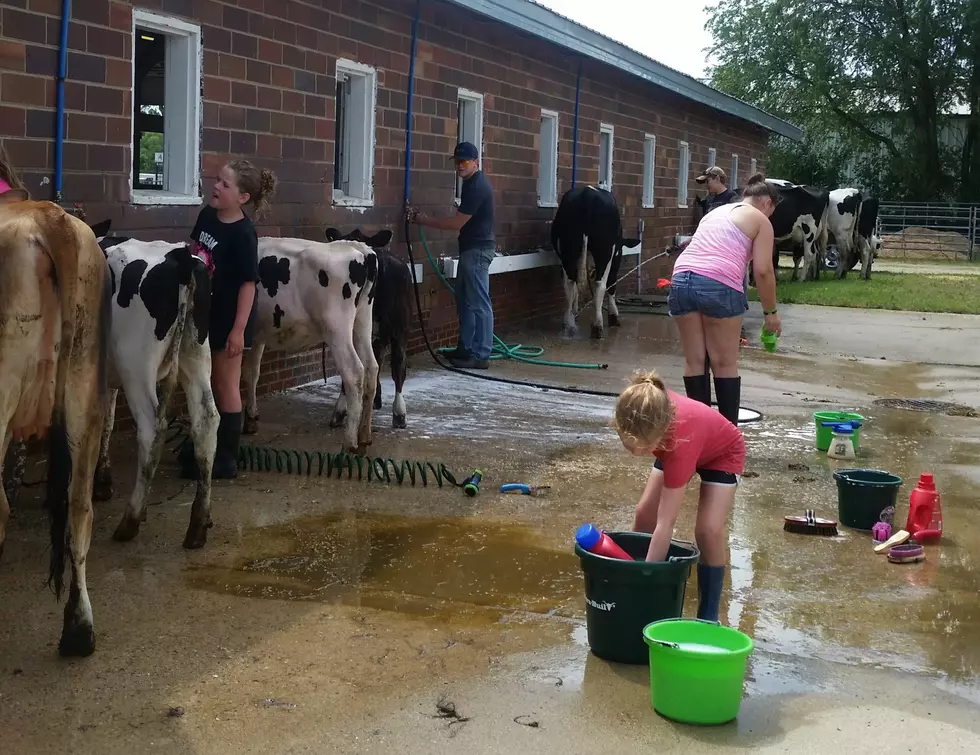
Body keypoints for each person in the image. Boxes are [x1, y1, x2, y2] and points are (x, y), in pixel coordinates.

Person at [613, 370, 746, 622]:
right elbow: (652, 518)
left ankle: (708, 614)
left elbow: (666, 524)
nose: (634, 453)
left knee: (708, 530)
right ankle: (631, 572)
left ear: (659, 434)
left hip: (722, 453)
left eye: (641, 448)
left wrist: (645, 580)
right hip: (677, 442)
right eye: (627, 445)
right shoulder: (645, 405)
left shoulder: (678, 444)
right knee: (644, 513)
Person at [186, 160, 277, 479]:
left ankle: (225, 458)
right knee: (200, 381)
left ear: (243, 198)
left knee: (225, 384)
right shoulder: (207, 216)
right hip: (201, 314)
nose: (216, 186)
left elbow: (248, 284)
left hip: (229, 318)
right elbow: (193, 251)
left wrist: (238, 331)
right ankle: (200, 448)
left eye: (225, 184)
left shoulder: (243, 233)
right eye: (217, 180)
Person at [668, 173, 781, 426]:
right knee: (724, 362)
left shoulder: (716, 212)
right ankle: (726, 440)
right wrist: (770, 313)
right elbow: (763, 271)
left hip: (681, 278)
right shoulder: (761, 220)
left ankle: (699, 432)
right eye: (772, 210)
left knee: (695, 361)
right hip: (717, 284)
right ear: (767, 203)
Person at [408, 141, 496, 370]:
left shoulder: (477, 186)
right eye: (457, 162)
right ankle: (465, 349)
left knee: (479, 303)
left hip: (478, 251)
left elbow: (457, 222)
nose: (460, 166)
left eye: (464, 162)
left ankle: (481, 354)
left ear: (476, 162)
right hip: (470, 249)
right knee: (465, 301)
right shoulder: (470, 183)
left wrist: (423, 220)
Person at [695, 165, 748, 347]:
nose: (706, 186)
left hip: (731, 254)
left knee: (735, 289)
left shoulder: (733, 200)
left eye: (708, 181)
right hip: (711, 254)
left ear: (718, 178)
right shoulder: (709, 201)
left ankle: (738, 330)